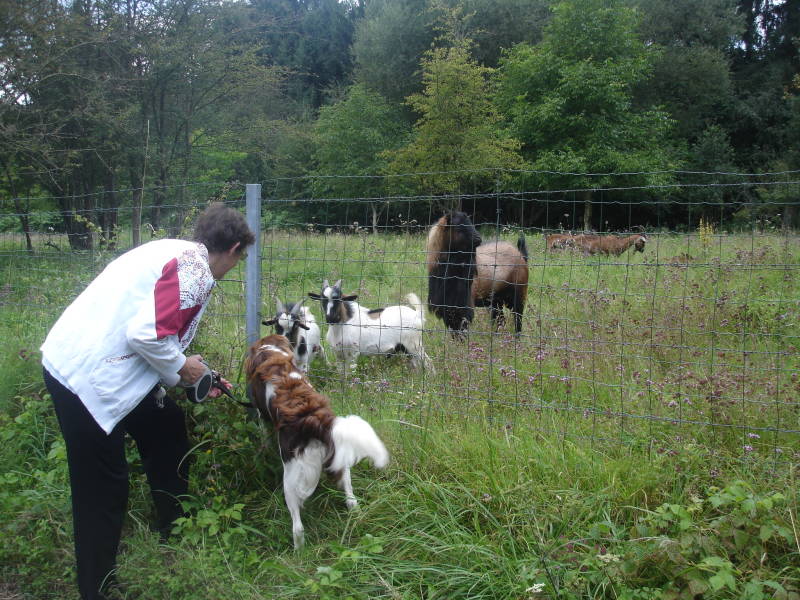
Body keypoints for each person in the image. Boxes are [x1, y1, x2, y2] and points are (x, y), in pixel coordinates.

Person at [40, 202, 255, 600]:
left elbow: (156, 334)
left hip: (100, 360)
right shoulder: (195, 272)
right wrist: (183, 367)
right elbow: (146, 335)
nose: (235, 266)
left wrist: (190, 374)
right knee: (102, 486)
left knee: (166, 427)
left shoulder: (177, 253)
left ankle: (175, 530)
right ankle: (97, 588)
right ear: (233, 249)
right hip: (83, 377)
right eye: (240, 259)